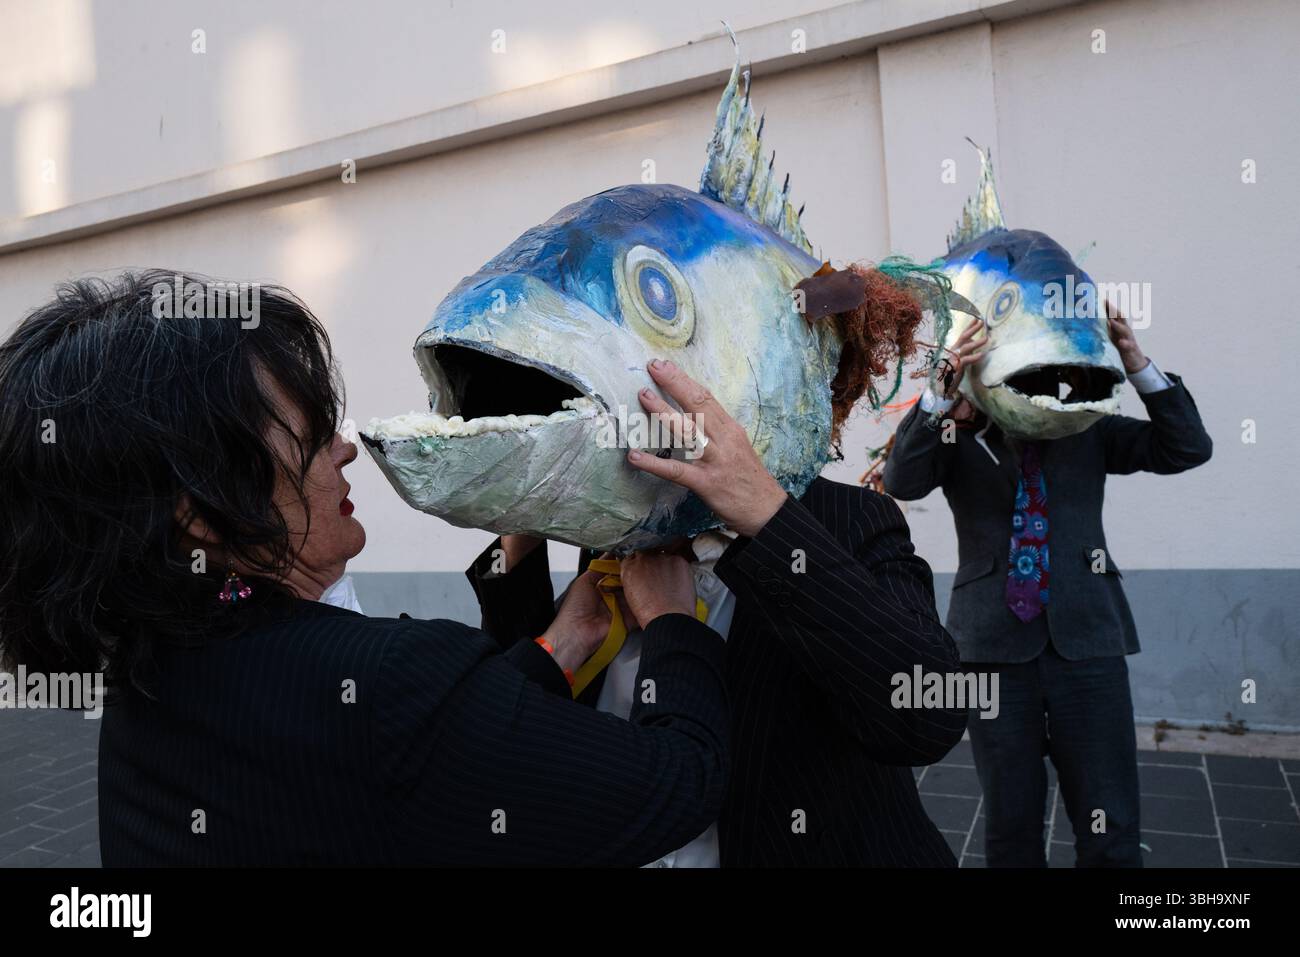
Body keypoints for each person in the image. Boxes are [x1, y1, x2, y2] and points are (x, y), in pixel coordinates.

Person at [0, 270, 729, 866]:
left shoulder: (149, 666)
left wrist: (560, 647)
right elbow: (677, 779)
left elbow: (412, 757)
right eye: (313, 430)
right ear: (201, 512)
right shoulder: (391, 681)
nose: (345, 448)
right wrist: (671, 623)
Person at [468, 357, 968, 867]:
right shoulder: (613, 530)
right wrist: (516, 537)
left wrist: (770, 523)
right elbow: (517, 707)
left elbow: (927, 717)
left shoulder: (845, 518)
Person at [883, 305, 1213, 867]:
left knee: (1111, 826)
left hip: (1089, 645)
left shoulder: (1086, 425)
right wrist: (940, 392)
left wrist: (1136, 365)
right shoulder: (955, 432)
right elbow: (900, 479)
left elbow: (1186, 447)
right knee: (1011, 828)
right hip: (992, 651)